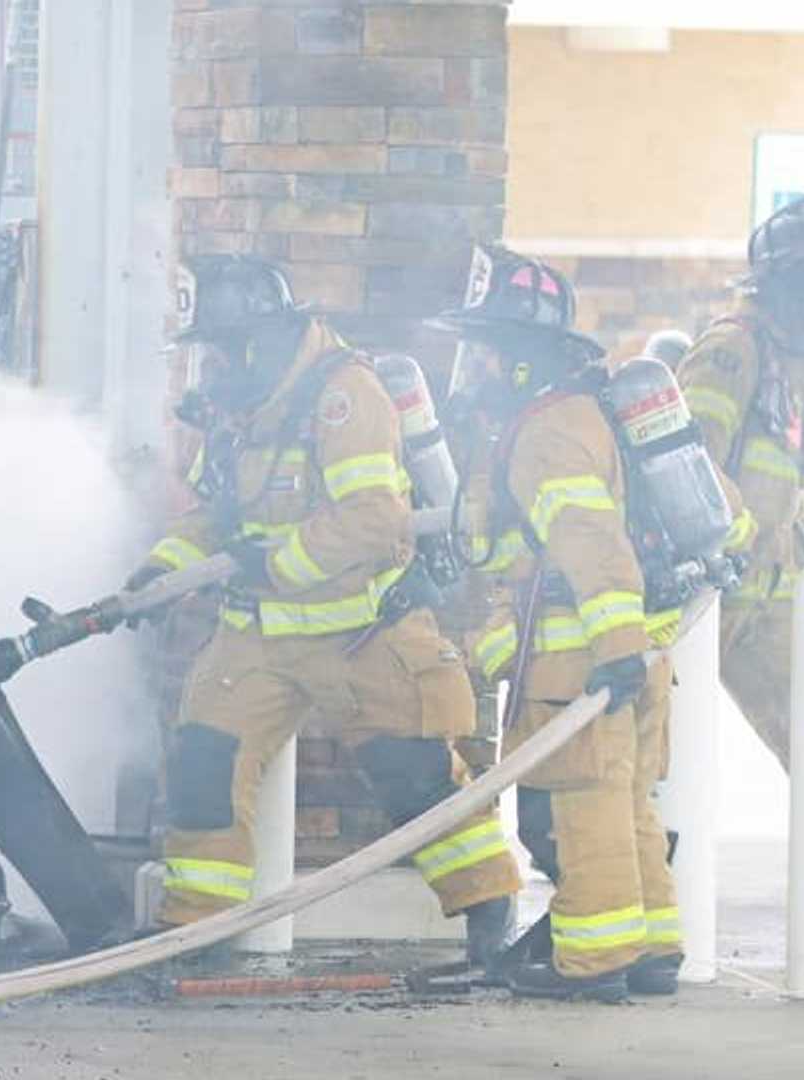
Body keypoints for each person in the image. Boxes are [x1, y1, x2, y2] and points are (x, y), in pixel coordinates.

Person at [136, 254, 521, 968]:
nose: (210, 371)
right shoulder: (240, 413)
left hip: (363, 631)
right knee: (204, 763)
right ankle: (195, 932)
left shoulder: (345, 395)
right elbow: (211, 515)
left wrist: (276, 564)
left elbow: (374, 518)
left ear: (258, 343)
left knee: (414, 776)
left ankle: (490, 915)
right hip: (258, 636)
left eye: (219, 352)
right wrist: (161, 572)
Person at [436, 245, 688, 1001]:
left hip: (580, 664)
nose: (473, 368)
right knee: (627, 803)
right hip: (631, 654)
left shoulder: (546, 433)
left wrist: (612, 649)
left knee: (585, 808)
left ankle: (594, 962)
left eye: (483, 350)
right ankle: (653, 949)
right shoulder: (582, 411)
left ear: (519, 358)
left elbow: (590, 541)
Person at [675, 198, 804, 768]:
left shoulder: (789, 361)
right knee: (663, 752)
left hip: (770, 594)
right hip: (712, 593)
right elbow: (689, 473)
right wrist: (730, 546)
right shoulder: (732, 350)